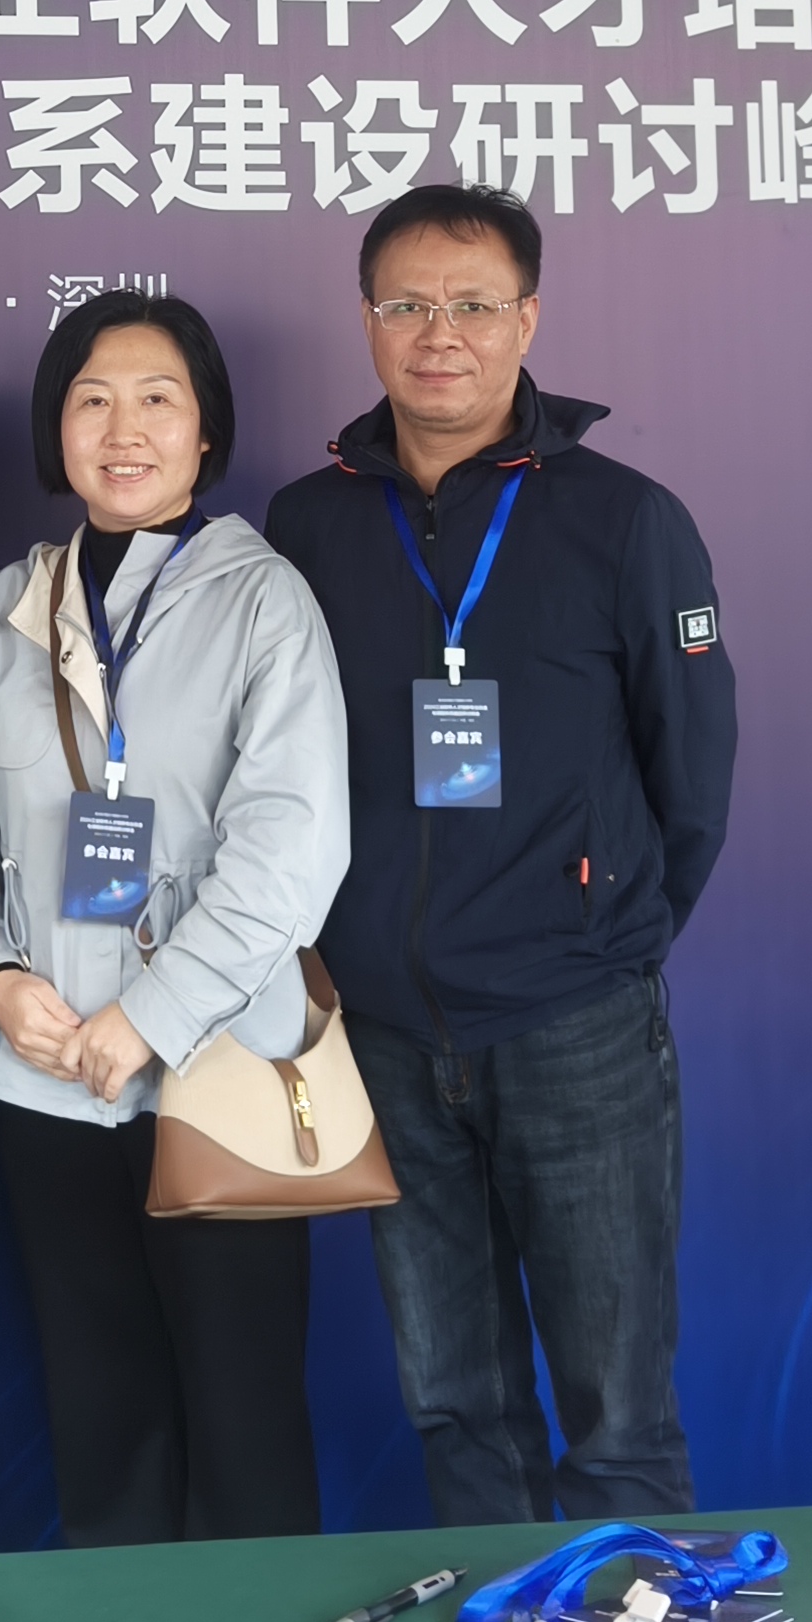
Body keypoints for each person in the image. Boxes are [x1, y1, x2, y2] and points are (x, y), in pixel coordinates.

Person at [265, 183, 738, 1532]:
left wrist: (601, 933)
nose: (440, 335)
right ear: (367, 321)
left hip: (571, 1020)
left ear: (526, 320)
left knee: (617, 1404)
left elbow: (691, 769)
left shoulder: (624, 519)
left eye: (473, 305)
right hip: (387, 1033)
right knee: (455, 1400)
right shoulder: (308, 524)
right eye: (408, 305)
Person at [0, 289, 347, 1547]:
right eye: (92, 400)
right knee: (100, 1418)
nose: (123, 430)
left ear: (205, 430)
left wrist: (152, 1017)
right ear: (54, 428)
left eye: (157, 400)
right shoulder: (3, 611)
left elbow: (290, 850)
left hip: (214, 1071)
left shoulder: (263, 601)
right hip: (46, 1075)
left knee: (243, 1423)